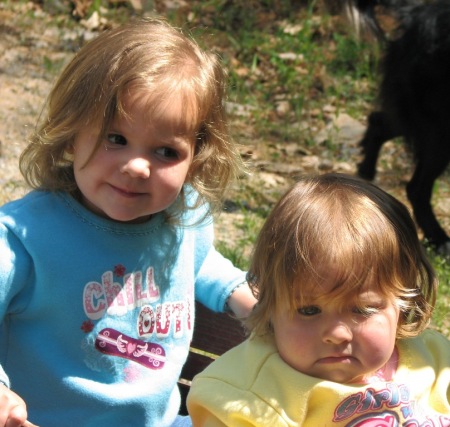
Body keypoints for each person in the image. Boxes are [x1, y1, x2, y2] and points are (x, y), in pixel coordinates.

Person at [0, 18, 256, 427]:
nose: (137, 167)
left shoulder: (183, 217)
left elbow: (198, 261)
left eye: (166, 152)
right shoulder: (25, 237)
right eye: (115, 139)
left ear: (197, 158)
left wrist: (243, 300)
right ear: (70, 134)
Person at [187, 173, 450, 426]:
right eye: (309, 310)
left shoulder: (434, 360)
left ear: (402, 305)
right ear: (271, 308)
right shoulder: (248, 397)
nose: (336, 334)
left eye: (362, 309)